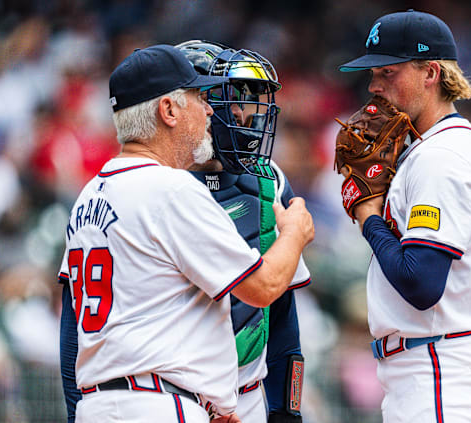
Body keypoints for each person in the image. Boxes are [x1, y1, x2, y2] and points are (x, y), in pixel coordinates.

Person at [57, 44, 313, 423]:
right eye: (200, 97)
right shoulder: (171, 189)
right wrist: (294, 232)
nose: (210, 110)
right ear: (169, 109)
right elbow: (263, 286)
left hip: (108, 401)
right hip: (160, 401)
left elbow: (76, 331)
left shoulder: (90, 194)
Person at [337, 10, 471, 422]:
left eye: (388, 73)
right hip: (436, 365)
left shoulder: (441, 157)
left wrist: (368, 216)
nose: (373, 86)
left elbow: (420, 282)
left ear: (430, 72)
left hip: (442, 367)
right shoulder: (433, 149)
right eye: (373, 73)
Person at [177, 40, 308, 423]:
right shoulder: (153, 185)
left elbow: (281, 314)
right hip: (171, 396)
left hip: (248, 395)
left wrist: (287, 412)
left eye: (247, 100)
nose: (243, 114)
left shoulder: (270, 182)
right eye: (229, 98)